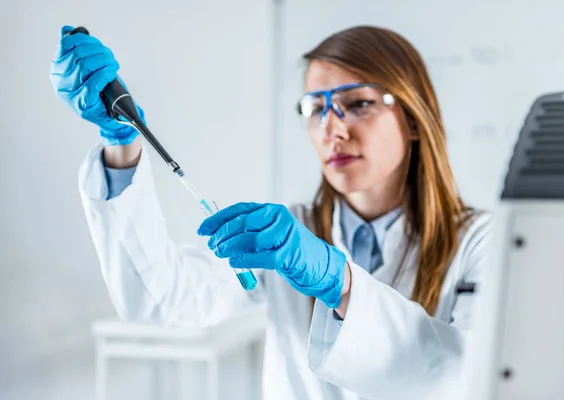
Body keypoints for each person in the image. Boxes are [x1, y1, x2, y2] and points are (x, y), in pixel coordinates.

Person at [50, 24, 491, 400]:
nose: (331, 128)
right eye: (316, 108)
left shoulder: (482, 244)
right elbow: (163, 299)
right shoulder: (284, 237)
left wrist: (341, 285)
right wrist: (121, 141)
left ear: (414, 118)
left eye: (357, 103)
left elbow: (473, 379)